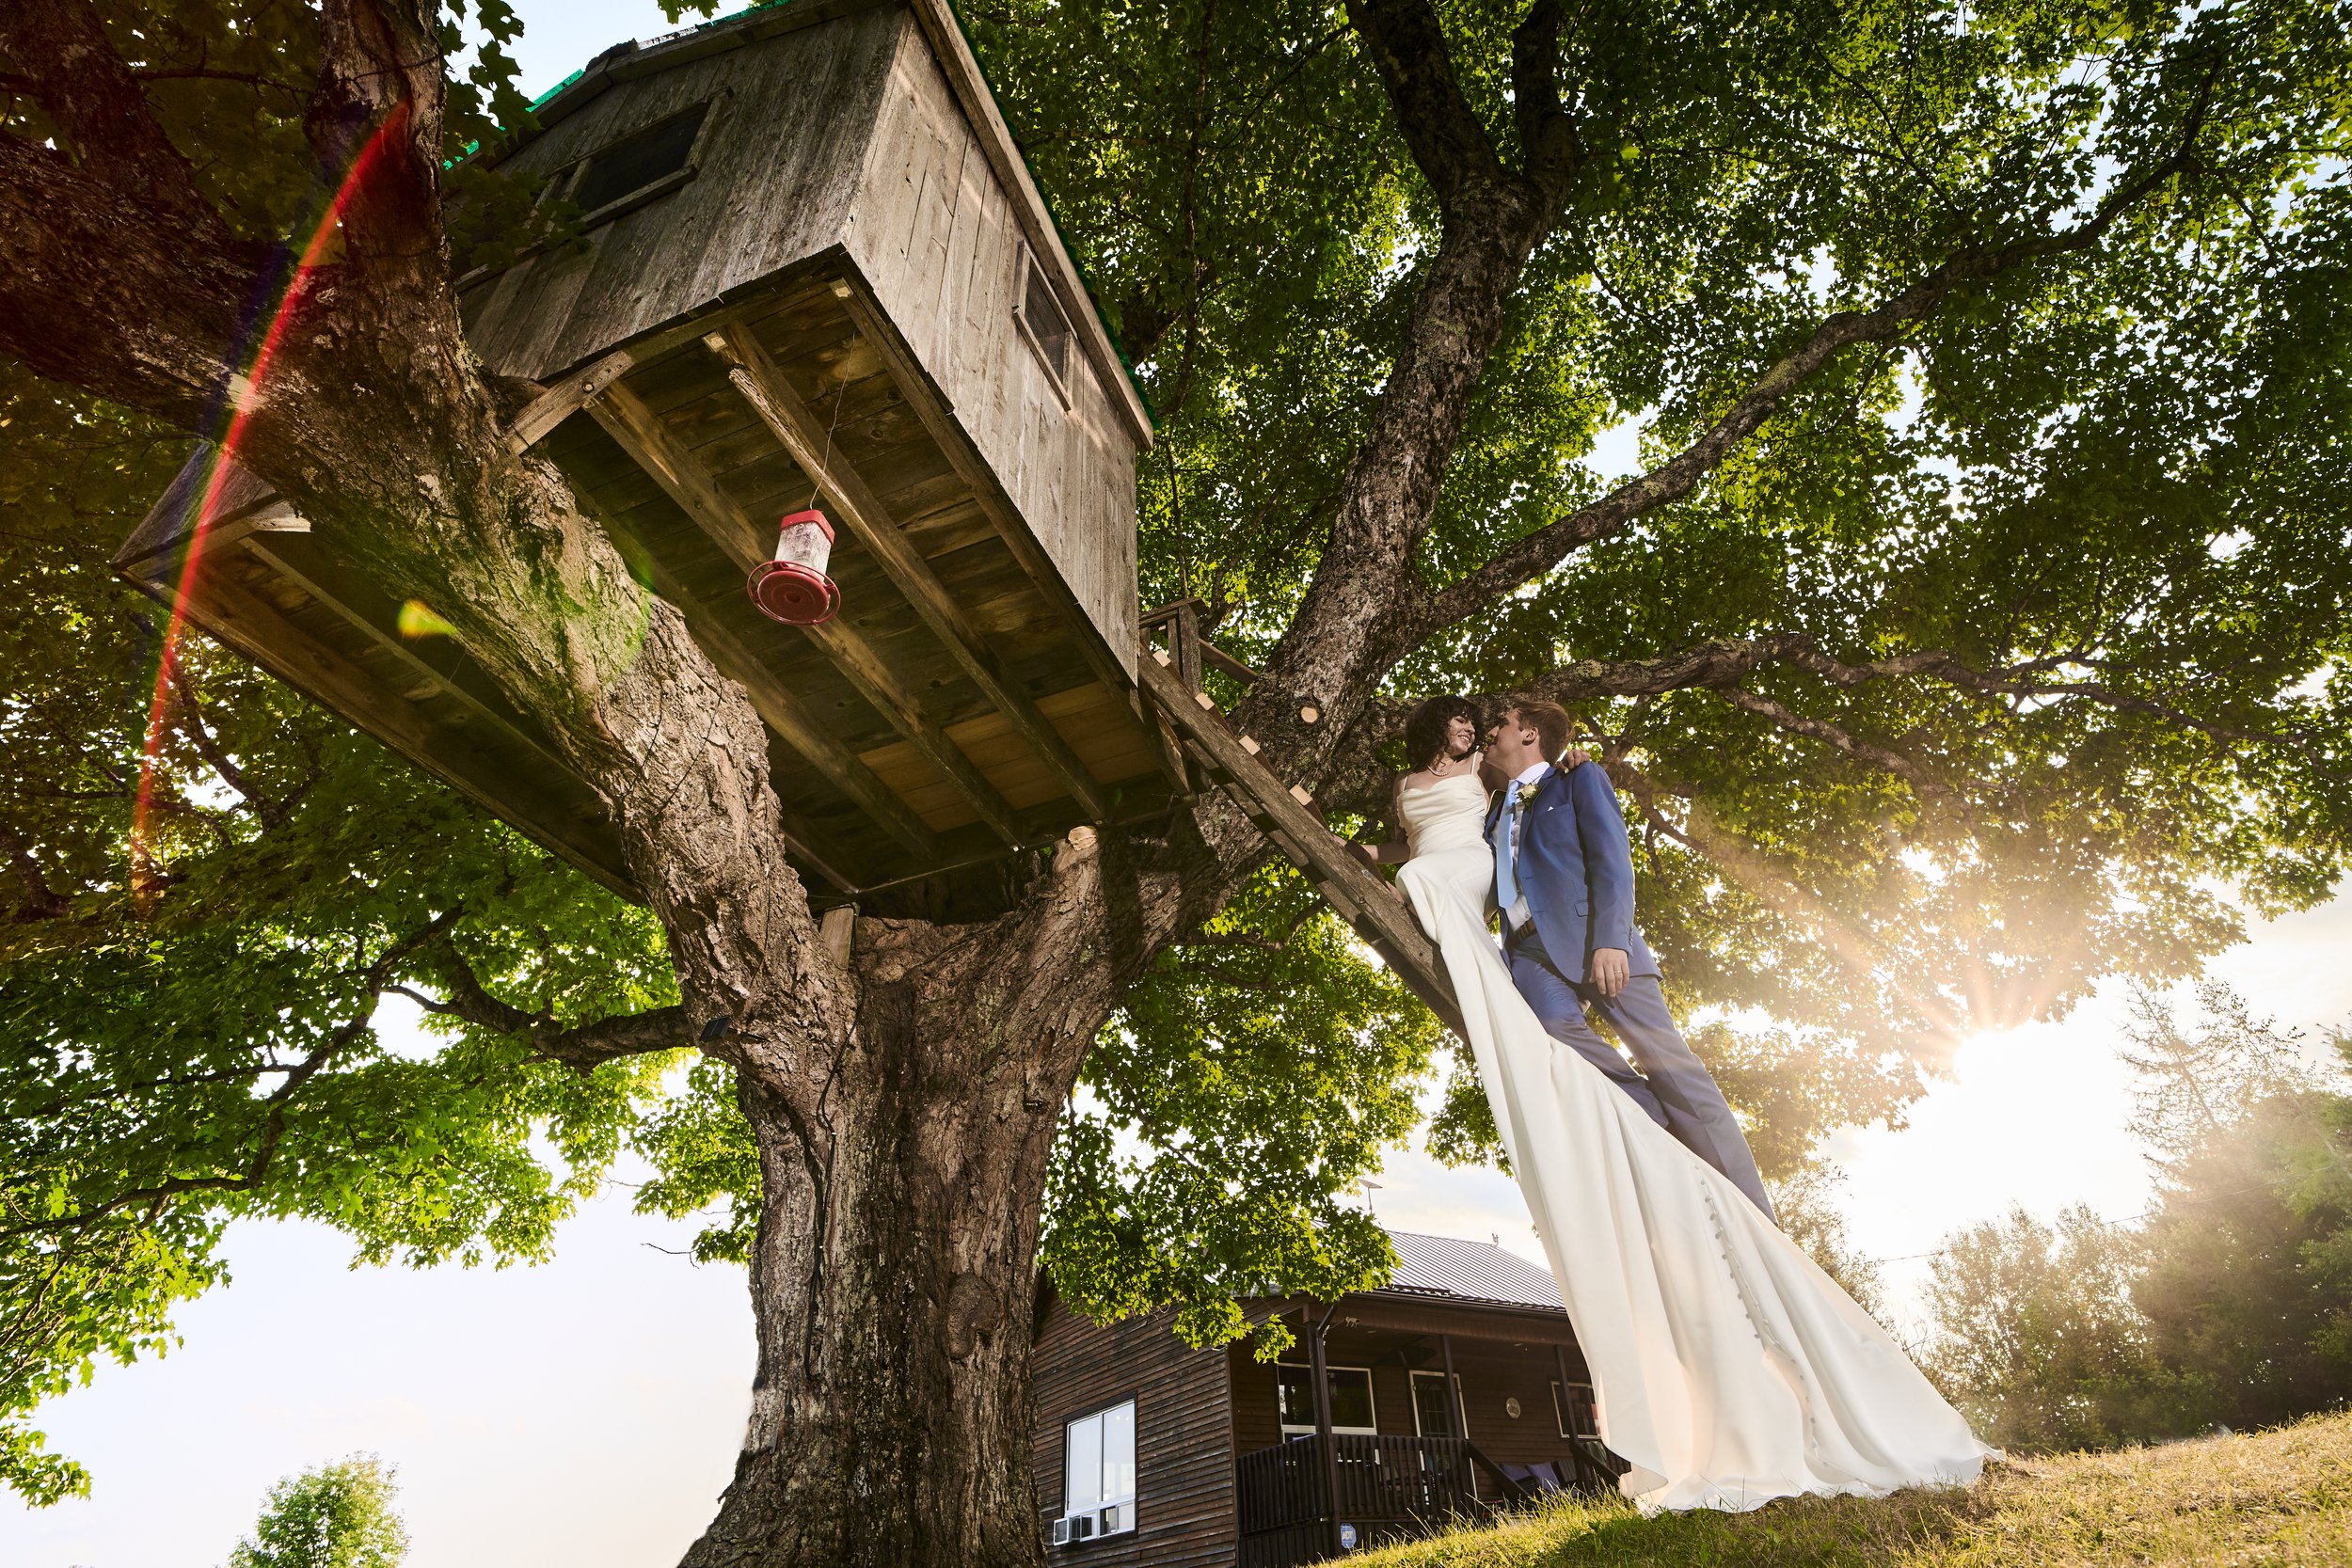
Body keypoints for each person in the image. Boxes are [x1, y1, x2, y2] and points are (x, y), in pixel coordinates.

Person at [1375, 691, 1991, 1513]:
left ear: (1533, 733)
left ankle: (1746, 1198)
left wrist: (1608, 940)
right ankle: (1650, 1125)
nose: (1487, 732)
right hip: (1528, 959)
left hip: (1602, 949)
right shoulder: (1489, 811)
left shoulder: (1574, 779)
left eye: (1501, 724)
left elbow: (1612, 860)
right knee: (1563, 1042)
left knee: (1678, 1068)